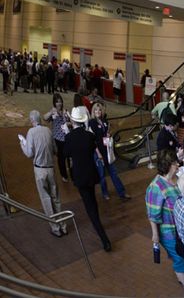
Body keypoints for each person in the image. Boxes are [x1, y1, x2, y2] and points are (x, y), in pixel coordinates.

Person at [65, 105, 112, 251]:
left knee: (89, 206)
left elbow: (66, 153)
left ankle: (104, 238)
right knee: (92, 200)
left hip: (79, 176)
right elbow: (91, 148)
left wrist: (67, 133)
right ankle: (97, 221)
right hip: (91, 174)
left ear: (72, 121)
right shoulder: (89, 136)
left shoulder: (69, 137)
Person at [145, 149, 184, 295]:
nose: (178, 164)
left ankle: (183, 277)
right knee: (180, 259)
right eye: (175, 162)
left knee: (183, 256)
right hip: (169, 233)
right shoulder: (155, 187)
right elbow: (153, 215)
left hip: (181, 229)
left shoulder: (176, 178)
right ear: (168, 165)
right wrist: (155, 235)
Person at [19, 110, 65, 237]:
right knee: (56, 197)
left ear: (32, 120)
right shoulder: (48, 131)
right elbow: (55, 150)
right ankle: (63, 225)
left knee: (46, 199)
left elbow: (29, 154)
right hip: (51, 168)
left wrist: (22, 144)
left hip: (39, 170)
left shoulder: (31, 132)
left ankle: (55, 228)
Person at [88, 103, 129, 201]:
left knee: (114, 173)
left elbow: (106, 134)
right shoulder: (92, 122)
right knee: (102, 176)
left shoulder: (104, 121)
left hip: (107, 151)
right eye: (96, 110)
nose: (98, 112)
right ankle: (105, 193)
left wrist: (108, 134)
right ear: (93, 111)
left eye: (99, 110)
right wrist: (98, 153)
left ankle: (122, 192)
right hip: (98, 153)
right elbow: (92, 140)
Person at [44, 93, 71, 182]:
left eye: (60, 101)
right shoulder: (53, 112)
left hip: (67, 137)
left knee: (69, 156)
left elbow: (71, 122)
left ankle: (71, 173)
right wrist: (51, 112)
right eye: (57, 102)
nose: (59, 103)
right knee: (61, 158)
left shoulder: (65, 111)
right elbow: (45, 118)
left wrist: (68, 123)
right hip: (57, 139)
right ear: (54, 103)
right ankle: (64, 175)